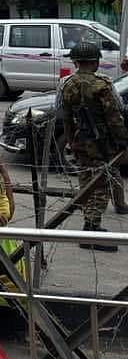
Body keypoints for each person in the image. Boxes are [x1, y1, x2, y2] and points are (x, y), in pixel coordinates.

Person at [60, 43, 128, 249]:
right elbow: (114, 119)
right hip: (101, 145)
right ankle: (91, 229)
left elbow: (67, 119)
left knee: (86, 183)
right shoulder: (101, 85)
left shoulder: (67, 84)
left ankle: (90, 224)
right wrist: (123, 143)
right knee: (101, 185)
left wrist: (71, 141)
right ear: (95, 62)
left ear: (76, 62)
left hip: (81, 142)